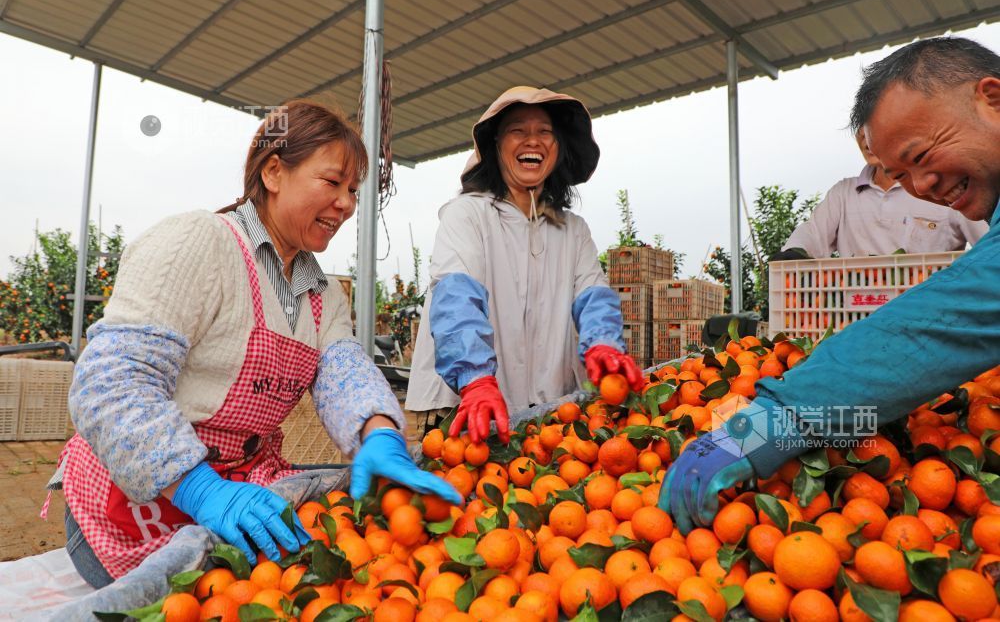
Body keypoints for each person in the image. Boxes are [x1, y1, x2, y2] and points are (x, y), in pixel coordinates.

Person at [55, 100, 459, 587]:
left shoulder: (322, 293)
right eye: (333, 183)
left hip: (244, 488)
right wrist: (202, 490)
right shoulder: (198, 243)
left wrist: (379, 434)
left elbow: (344, 371)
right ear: (273, 172)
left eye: (353, 190)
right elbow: (110, 383)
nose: (348, 203)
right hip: (134, 507)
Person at [659, 36, 1000, 534]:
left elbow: (962, 304)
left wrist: (776, 421)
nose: (922, 187)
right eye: (902, 173)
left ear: (991, 99)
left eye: (921, 154)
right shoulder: (848, 194)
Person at [406, 86, 645, 443]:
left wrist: (602, 343)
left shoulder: (572, 230)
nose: (532, 140)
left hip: (547, 411)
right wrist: (475, 378)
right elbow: (456, 297)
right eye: (518, 130)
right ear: (496, 146)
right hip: (463, 408)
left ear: (558, 148)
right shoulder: (468, 215)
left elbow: (593, 296)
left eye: (545, 132)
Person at [776, 128, 987, 259]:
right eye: (859, 130)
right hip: (855, 316)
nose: (866, 140)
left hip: (928, 315)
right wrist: (793, 252)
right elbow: (811, 235)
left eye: (874, 129)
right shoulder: (843, 194)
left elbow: (990, 244)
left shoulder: (941, 188)